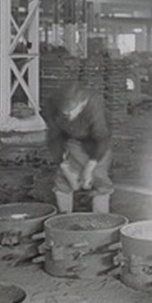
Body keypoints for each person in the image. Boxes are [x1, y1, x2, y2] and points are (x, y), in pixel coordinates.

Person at [44, 82, 113, 214]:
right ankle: (63, 219)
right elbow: (54, 139)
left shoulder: (94, 106)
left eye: (71, 113)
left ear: (82, 104)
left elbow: (102, 140)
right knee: (63, 180)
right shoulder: (53, 104)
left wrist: (89, 169)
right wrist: (66, 170)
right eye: (64, 114)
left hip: (96, 141)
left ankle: (102, 220)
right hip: (73, 139)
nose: (68, 117)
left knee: (99, 178)